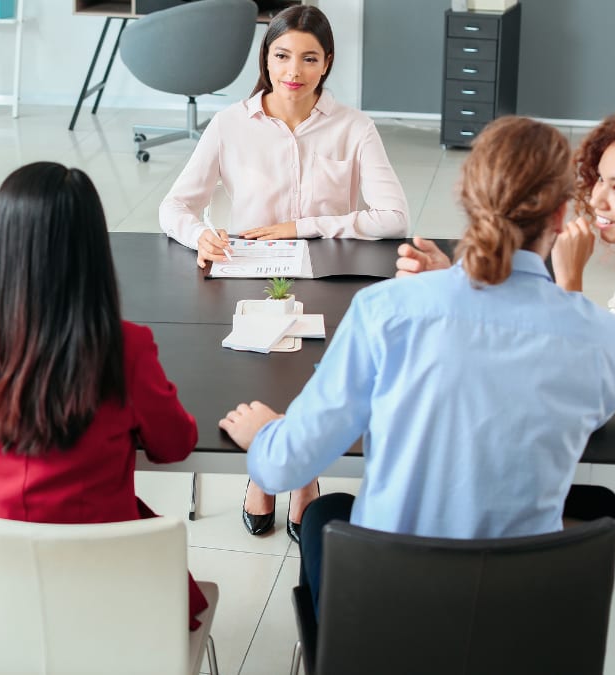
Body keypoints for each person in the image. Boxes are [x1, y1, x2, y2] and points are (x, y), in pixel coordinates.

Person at [219, 117, 615, 616]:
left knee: (326, 511)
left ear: (466, 197)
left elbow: (285, 467)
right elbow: (592, 414)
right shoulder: (599, 335)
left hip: (391, 612)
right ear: (562, 216)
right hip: (521, 620)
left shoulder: (389, 309)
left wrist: (265, 434)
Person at [159, 4, 410, 542]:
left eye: (308, 58)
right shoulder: (230, 124)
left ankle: (300, 475)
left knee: (316, 374)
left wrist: (303, 225)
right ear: (266, 58)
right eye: (281, 56)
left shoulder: (354, 126)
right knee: (258, 371)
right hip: (250, 278)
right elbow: (174, 207)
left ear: (327, 64)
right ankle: (267, 469)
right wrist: (199, 234)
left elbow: (395, 218)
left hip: (328, 275)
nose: (292, 70)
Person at [400, 107, 615, 538]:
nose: (597, 200)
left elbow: (581, 388)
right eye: (600, 180)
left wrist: (569, 279)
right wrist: (454, 284)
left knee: (495, 469)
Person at [0, 162, 209, 629]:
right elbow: (175, 445)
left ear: (2, 250)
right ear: (93, 254)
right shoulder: (124, 348)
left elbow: (14, 352)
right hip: (109, 602)